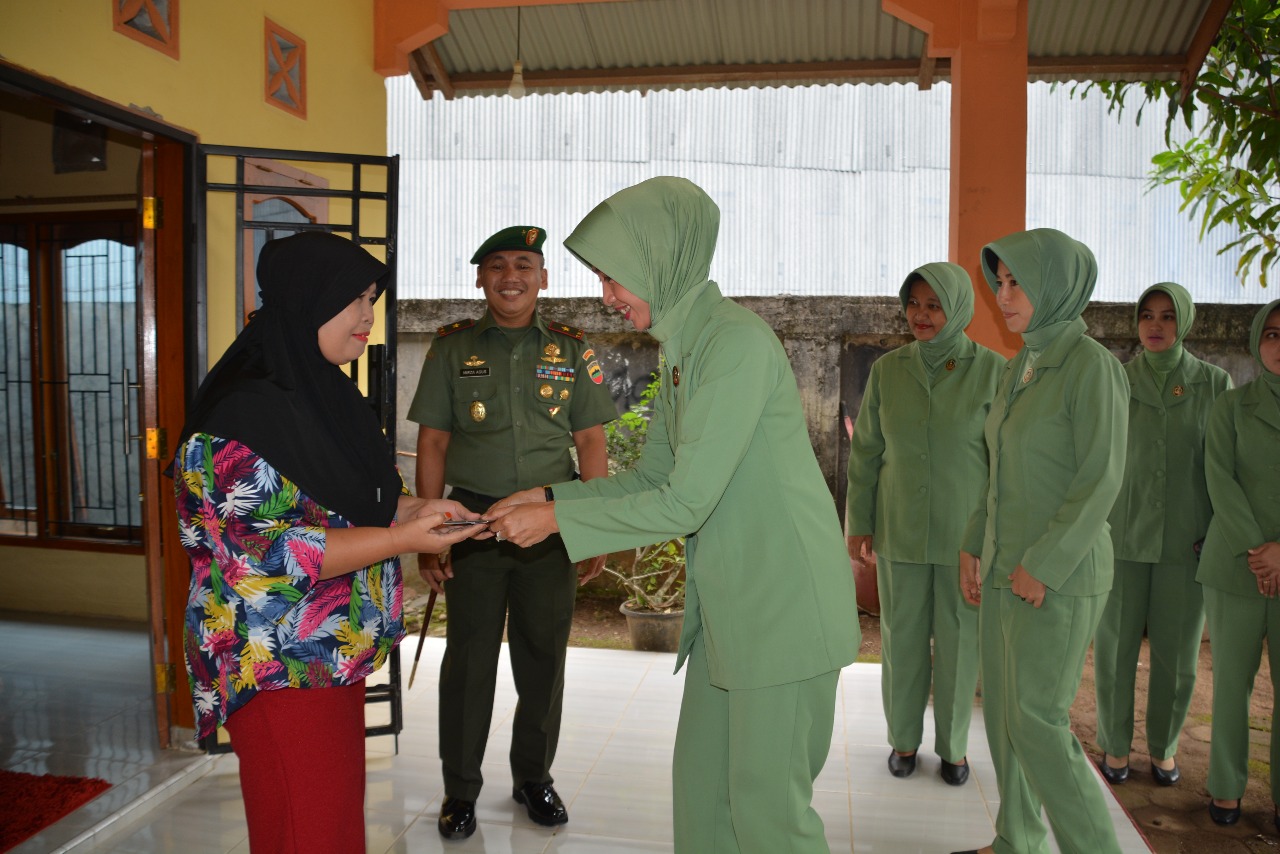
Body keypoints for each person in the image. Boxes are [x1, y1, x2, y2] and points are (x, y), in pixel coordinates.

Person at [486, 177, 862, 854]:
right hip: (732, 610)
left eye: (613, 275)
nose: (606, 295)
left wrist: (557, 525)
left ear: (662, 257)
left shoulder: (735, 344)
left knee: (768, 816)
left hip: (783, 611)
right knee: (703, 799)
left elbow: (687, 501)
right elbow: (654, 476)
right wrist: (549, 499)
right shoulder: (686, 348)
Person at [172, 231, 487, 854]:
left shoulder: (325, 395)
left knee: (334, 822)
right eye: (353, 299)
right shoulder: (240, 419)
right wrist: (401, 537)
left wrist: (420, 508)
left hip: (327, 655)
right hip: (276, 662)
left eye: (371, 297)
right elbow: (271, 554)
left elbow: (357, 502)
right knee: (305, 828)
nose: (369, 315)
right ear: (307, 300)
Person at [406, 225, 616, 840]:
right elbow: (435, 441)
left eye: (524, 265)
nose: (511, 277)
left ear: (543, 278)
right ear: (480, 279)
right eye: (496, 266)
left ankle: (533, 778)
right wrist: (427, 526)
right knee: (468, 662)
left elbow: (591, 441)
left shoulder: (574, 350)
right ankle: (459, 790)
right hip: (471, 524)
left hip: (551, 524)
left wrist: (592, 526)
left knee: (543, 660)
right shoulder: (450, 349)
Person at [954, 228, 1129, 854]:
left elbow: (1101, 478)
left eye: (1016, 281)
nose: (1003, 295)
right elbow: (997, 469)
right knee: (1005, 720)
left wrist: (1045, 564)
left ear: (1056, 285)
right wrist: (975, 543)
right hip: (1005, 568)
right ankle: (1017, 840)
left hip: (1059, 575)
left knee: (1039, 722)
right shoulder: (1019, 366)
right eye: (999, 281)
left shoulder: (1092, 368)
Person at [845, 262, 1004, 786]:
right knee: (902, 638)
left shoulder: (994, 371)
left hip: (966, 537)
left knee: (960, 644)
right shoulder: (889, 370)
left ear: (957, 308)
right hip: (900, 529)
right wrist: (859, 521)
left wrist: (987, 535)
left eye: (934, 305)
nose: (921, 315)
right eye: (913, 304)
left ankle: (955, 749)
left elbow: (1002, 461)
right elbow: (867, 451)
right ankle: (904, 742)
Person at [1093, 282, 1232, 788]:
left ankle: (1164, 749)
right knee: (1113, 651)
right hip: (1120, 539)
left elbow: (1225, 466)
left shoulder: (1214, 385)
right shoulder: (1114, 379)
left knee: (1177, 658)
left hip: (1186, 543)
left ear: (1186, 323)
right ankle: (1113, 743)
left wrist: (1215, 530)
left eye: (1168, 316)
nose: (1155, 325)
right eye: (1147, 315)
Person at [1197, 298, 1280, 830]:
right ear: (1256, 341)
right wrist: (1260, 549)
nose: (1279, 344)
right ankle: (1226, 788)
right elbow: (1219, 479)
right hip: (1235, 568)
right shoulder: (1231, 405)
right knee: (1230, 684)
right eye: (1271, 333)